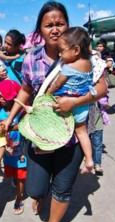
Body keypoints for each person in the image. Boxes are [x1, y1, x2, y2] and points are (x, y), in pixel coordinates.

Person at [2, 2, 107, 222]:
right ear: (40, 29)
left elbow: (102, 88)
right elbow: (25, 90)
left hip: (72, 136)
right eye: (49, 25)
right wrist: (9, 119)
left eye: (60, 23)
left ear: (68, 25)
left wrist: (76, 101)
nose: (55, 29)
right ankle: (40, 196)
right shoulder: (31, 58)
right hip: (42, 134)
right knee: (35, 189)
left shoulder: (85, 55)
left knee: (63, 188)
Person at [46, 27, 94, 173]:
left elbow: (57, 84)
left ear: (76, 50)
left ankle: (46, 149)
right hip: (82, 106)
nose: (60, 54)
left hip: (65, 103)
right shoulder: (89, 64)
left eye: (62, 50)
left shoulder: (69, 67)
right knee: (81, 132)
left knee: (54, 124)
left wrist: (47, 94)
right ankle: (90, 160)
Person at [0, 79, 27, 215]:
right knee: (12, 174)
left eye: (4, 95)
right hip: (7, 152)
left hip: (21, 151)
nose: (0, 98)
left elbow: (25, 126)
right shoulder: (0, 111)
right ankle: (17, 183)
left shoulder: (21, 111)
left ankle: (19, 198)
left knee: (20, 176)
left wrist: (10, 126)